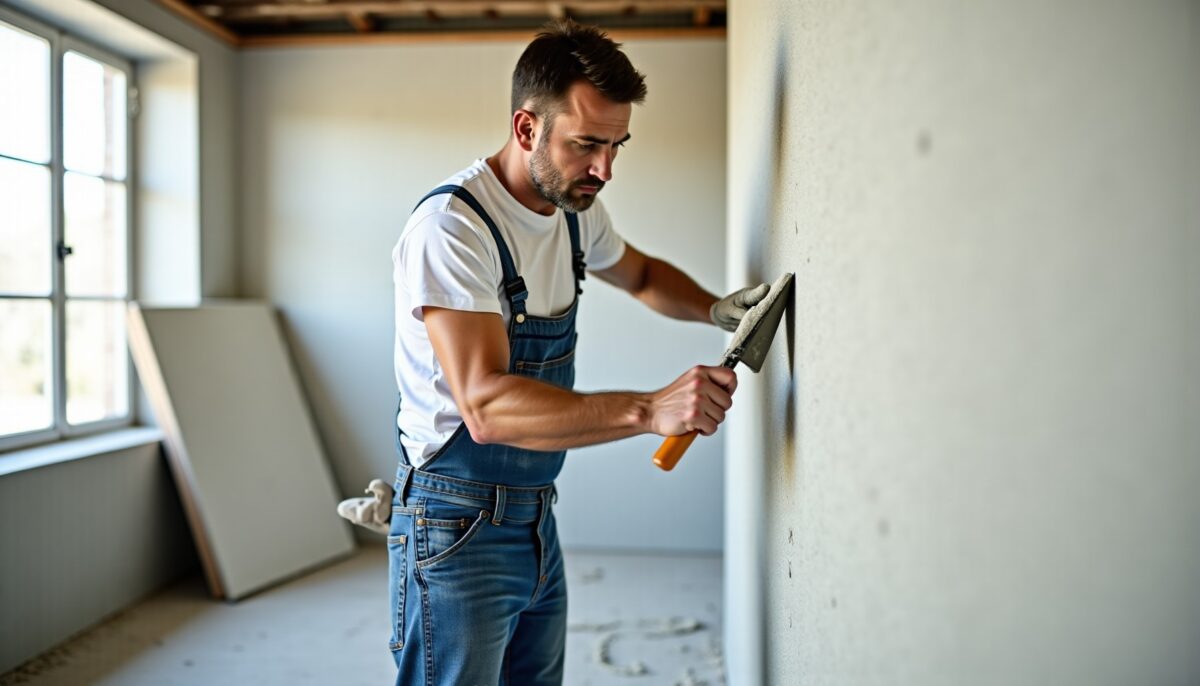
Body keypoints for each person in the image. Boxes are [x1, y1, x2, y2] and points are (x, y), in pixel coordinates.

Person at [384, 19, 767, 686]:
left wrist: (715, 307)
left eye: (617, 145)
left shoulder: (574, 210)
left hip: (536, 516)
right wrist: (649, 410)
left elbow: (643, 275)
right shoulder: (453, 231)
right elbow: (486, 407)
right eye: (587, 144)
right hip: (456, 526)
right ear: (527, 129)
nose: (605, 169)